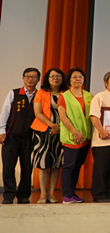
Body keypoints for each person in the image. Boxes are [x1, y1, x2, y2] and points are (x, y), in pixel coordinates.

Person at [0, 67, 40, 204]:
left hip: (29, 139)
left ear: (38, 80)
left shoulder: (39, 96)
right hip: (11, 137)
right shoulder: (14, 93)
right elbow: (4, 113)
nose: (30, 79)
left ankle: (23, 195)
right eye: (28, 76)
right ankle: (9, 195)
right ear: (23, 78)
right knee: (8, 167)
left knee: (27, 168)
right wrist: (2, 132)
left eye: (34, 77)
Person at [31, 68, 68, 204]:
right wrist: (53, 125)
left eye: (58, 76)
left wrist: (60, 128)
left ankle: (52, 194)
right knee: (43, 164)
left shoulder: (66, 94)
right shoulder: (41, 93)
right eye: (52, 76)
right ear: (47, 78)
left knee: (57, 163)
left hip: (61, 132)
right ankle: (42, 194)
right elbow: (38, 113)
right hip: (43, 131)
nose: (55, 78)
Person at [57, 68, 92, 203]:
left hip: (85, 137)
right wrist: (75, 132)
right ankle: (66, 195)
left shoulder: (88, 96)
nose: (78, 79)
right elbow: (63, 117)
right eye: (74, 77)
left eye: (80, 77)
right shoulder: (64, 96)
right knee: (69, 166)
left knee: (77, 166)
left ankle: (72, 193)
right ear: (69, 80)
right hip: (72, 137)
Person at [89, 71, 110, 203]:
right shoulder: (99, 97)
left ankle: (108, 194)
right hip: (101, 141)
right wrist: (101, 130)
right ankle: (98, 195)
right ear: (105, 83)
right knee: (101, 170)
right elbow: (94, 116)